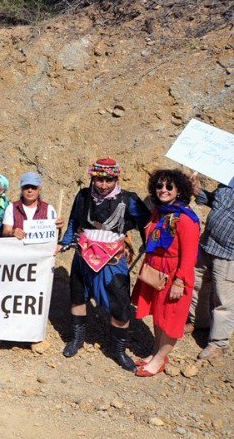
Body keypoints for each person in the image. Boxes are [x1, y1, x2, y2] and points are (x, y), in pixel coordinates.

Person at [58, 158, 150, 371]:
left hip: (112, 260)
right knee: (78, 297)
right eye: (99, 179)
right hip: (83, 255)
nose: (103, 184)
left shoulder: (129, 200)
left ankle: (119, 350)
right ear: (93, 178)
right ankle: (77, 339)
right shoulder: (83, 196)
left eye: (109, 180)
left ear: (116, 178)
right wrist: (65, 242)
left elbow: (147, 224)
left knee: (120, 306)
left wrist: (149, 246)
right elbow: (74, 221)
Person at [130, 169, 200, 376]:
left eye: (169, 186)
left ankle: (160, 359)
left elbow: (189, 256)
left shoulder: (187, 219)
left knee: (170, 319)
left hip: (173, 274)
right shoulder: (160, 212)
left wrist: (180, 282)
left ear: (179, 190)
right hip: (155, 271)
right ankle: (156, 352)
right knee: (158, 315)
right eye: (160, 185)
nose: (163, 190)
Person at [190, 180, 233, 360]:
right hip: (207, 245)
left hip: (229, 254)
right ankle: (198, 322)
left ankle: (218, 343)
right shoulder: (228, 183)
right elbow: (214, 200)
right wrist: (197, 191)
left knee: (223, 300)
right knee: (197, 284)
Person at [1, 172, 62, 239]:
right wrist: (12, 232)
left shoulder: (49, 209)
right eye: (26, 187)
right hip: (18, 249)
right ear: (21, 189)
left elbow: (56, 237)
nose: (30, 190)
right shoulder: (12, 208)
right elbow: (5, 232)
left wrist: (59, 228)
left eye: (33, 187)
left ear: (39, 190)